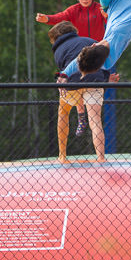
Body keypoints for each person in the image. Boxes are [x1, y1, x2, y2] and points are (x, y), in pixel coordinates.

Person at [36, 0, 107, 137]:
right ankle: (81, 116)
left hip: (97, 50)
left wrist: (106, 15)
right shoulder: (74, 10)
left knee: (98, 80)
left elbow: (111, 24)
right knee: (76, 81)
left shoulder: (99, 8)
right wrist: (46, 18)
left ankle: (92, 112)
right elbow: (60, 17)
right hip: (80, 52)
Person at [49, 21, 115, 163]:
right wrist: (105, 78)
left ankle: (62, 155)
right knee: (95, 120)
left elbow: (64, 72)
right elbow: (104, 61)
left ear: (56, 38)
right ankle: (101, 158)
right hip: (95, 80)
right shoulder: (89, 41)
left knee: (63, 111)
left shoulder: (59, 50)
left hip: (73, 84)